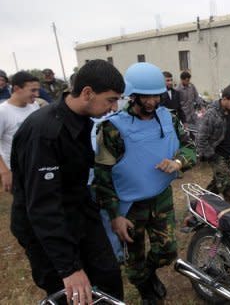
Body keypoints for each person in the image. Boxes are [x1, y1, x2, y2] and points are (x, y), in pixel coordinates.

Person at [10, 59, 125, 304]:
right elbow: (43, 207)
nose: (114, 107)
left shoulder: (83, 119)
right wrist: (69, 268)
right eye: (111, 99)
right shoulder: (44, 132)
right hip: (44, 228)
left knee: (108, 279)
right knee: (70, 295)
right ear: (87, 93)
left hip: (79, 212)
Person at [93, 62, 195, 303]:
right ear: (132, 95)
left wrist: (178, 162)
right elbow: (102, 176)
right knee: (134, 256)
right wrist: (114, 214)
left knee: (167, 250)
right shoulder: (112, 128)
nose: (152, 103)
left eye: (156, 96)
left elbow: (191, 148)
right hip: (129, 206)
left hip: (161, 198)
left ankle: (145, 275)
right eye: (145, 97)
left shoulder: (169, 118)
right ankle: (145, 289)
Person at [198, 85, 230, 207]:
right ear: (225, 99)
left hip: (227, 155)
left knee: (216, 185)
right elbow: (201, 139)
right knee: (228, 187)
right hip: (216, 156)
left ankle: (199, 204)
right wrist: (211, 156)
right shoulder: (211, 114)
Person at [0, 72, 40, 193]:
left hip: (37, 166)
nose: (37, 94)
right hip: (16, 170)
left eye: (38, 90)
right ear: (17, 89)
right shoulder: (2, 112)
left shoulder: (34, 106)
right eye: (33, 90)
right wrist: (5, 171)